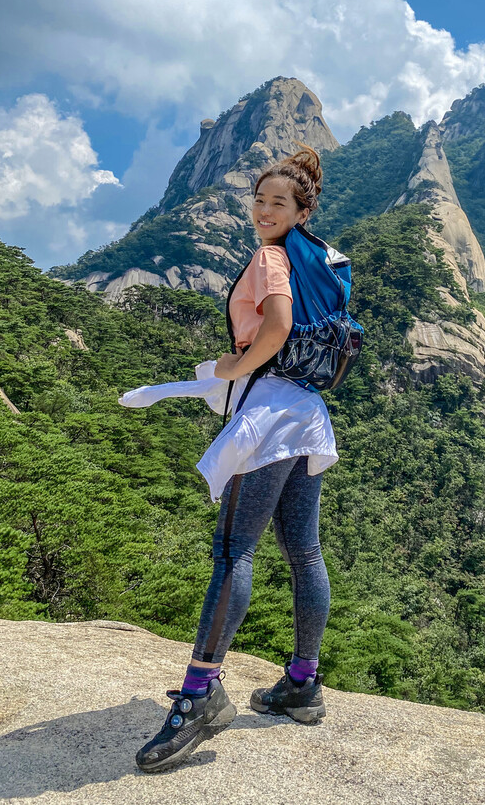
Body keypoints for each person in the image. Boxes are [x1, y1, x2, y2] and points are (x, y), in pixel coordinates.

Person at [135, 144, 336, 774]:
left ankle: (199, 696)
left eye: (279, 201)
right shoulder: (320, 259)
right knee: (304, 552)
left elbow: (274, 330)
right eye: (258, 200)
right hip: (307, 414)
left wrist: (230, 366)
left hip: (270, 414)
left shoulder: (272, 258)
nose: (264, 210)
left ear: (302, 209)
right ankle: (302, 682)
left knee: (233, 551)